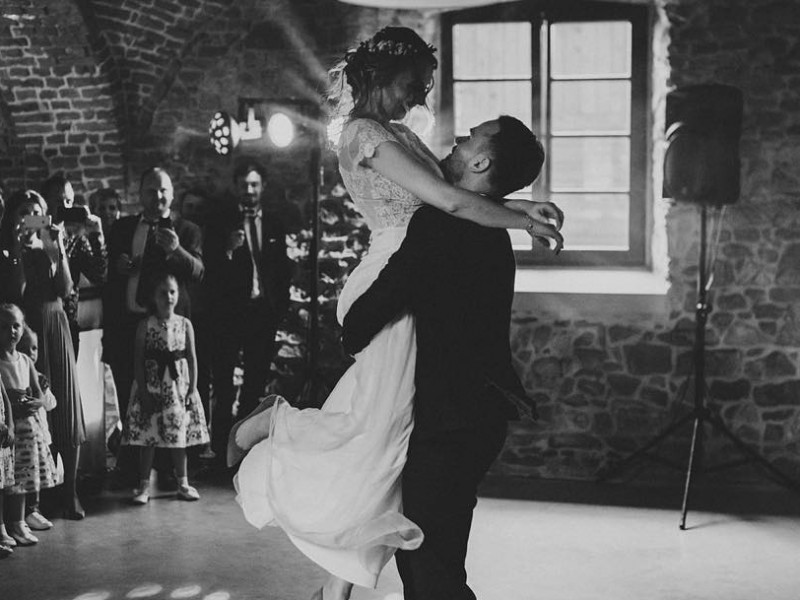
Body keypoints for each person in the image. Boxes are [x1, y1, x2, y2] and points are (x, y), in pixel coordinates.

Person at [231, 27, 562, 600]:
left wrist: (515, 203)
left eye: (427, 87)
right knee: (373, 428)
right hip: (388, 271)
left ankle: (337, 586)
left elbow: (456, 192)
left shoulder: (404, 135)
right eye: (417, 84)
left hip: (412, 271)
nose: (422, 98)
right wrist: (523, 219)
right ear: (386, 76)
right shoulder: (363, 134)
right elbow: (450, 200)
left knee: (385, 438)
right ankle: (272, 424)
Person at [341, 115, 542, 599]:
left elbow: (380, 302)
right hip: (478, 418)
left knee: (431, 570)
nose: (459, 139)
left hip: (447, 424)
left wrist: (351, 330)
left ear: (481, 162)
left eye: (472, 137)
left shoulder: (439, 223)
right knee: (439, 562)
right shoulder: (491, 229)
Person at [104, 167, 204, 488]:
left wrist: (176, 250)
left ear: (172, 195)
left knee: (169, 399)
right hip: (127, 324)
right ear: (139, 194)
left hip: (166, 333)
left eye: (163, 190)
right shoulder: (122, 228)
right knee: (129, 395)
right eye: (151, 190)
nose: (157, 196)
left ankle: (169, 469)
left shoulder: (187, 230)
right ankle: (132, 468)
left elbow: (198, 271)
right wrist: (119, 266)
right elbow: (107, 274)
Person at [0, 190, 86, 520]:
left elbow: (65, 289)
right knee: (35, 409)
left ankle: (71, 490)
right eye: (25, 211)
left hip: (57, 326)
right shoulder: (8, 250)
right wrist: (16, 245)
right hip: (28, 331)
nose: (32, 217)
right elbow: (17, 291)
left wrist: (57, 247)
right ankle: (38, 494)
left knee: (66, 406)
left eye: (37, 211)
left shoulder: (50, 245)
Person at [203, 161, 292, 470]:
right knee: (224, 386)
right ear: (236, 187)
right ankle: (220, 454)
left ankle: (245, 452)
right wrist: (228, 250)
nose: (249, 190)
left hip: (262, 315)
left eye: (254, 185)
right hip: (229, 315)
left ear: (262, 187)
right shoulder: (220, 222)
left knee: (254, 385)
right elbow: (210, 270)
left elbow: (281, 269)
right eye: (244, 185)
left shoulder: (275, 223)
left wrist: (279, 307)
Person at [120, 272, 209, 504]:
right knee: (148, 437)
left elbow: (192, 358)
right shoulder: (145, 325)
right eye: (163, 293)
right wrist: (143, 391)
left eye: (172, 292)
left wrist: (192, 389)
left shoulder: (185, 324)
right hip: (152, 387)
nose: (168, 297)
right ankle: (143, 485)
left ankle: (183, 482)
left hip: (177, 389)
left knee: (178, 437)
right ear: (154, 297)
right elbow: (138, 361)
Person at [0, 304, 60, 546]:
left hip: (29, 431)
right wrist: (13, 407)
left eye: (16, 326)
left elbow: (38, 393)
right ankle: (12, 523)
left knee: (24, 478)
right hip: (10, 431)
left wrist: (35, 402)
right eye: (4, 327)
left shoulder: (25, 360)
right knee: (12, 481)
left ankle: (22, 520)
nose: (12, 331)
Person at [17, 325, 58, 532]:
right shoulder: (16, 374)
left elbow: (51, 404)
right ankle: (20, 514)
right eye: (25, 349)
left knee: (36, 476)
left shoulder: (39, 377)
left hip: (39, 435)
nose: (31, 353)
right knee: (22, 477)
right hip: (22, 437)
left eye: (34, 348)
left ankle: (33, 510)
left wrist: (43, 394)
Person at [0, 374, 15, 557]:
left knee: (1, 487)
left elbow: (6, 399)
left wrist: (10, 426)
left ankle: (1, 527)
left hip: (1, 437)